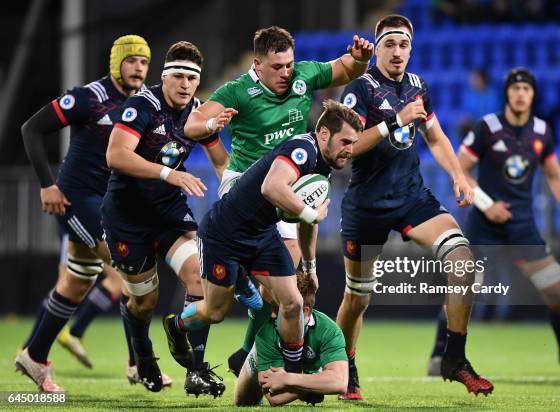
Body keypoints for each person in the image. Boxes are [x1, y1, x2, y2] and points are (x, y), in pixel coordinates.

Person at [182, 26, 373, 375]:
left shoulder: (303, 76)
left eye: (289, 64)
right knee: (241, 295)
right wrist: (211, 121)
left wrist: (362, 60)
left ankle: (247, 355)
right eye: (277, 67)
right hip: (244, 185)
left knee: (289, 288)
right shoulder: (238, 90)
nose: (286, 73)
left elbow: (347, 68)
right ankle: (237, 276)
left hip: (291, 183)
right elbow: (192, 124)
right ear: (257, 64)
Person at [336, 14, 494, 399]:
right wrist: (394, 121)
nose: (397, 52)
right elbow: (347, 147)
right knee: (357, 299)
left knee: (464, 262)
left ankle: (454, 357)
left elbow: (436, 137)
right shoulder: (362, 88)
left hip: (411, 198)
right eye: (389, 44)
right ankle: (344, 368)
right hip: (367, 206)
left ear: (412, 49)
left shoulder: (419, 87)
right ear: (377, 49)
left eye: (404, 45)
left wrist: (459, 175)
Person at [163, 100, 361, 382]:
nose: (350, 150)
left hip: (261, 235)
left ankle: (292, 377)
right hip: (224, 234)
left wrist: (310, 267)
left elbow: (306, 219)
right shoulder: (302, 149)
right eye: (346, 141)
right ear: (324, 134)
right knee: (216, 311)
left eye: (354, 143)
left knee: (292, 302)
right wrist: (310, 213)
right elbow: (272, 187)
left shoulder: (325, 164)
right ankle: (176, 325)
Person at [15, 35, 170, 393]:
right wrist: (46, 185)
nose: (139, 68)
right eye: (131, 60)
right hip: (76, 198)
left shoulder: (147, 103)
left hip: (109, 203)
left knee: (77, 281)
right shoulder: (89, 97)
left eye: (144, 62)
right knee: (130, 270)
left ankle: (34, 357)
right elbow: (31, 129)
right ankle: (140, 363)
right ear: (117, 63)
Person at [428, 67, 560, 376]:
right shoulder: (488, 127)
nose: (521, 94)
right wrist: (487, 204)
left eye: (526, 89)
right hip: (484, 225)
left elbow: (555, 174)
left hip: (522, 226)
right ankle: (439, 354)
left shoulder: (541, 131)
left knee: (557, 290)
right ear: (507, 93)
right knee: (462, 290)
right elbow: (461, 169)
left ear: (533, 95)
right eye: (515, 89)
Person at [102, 41, 223, 396]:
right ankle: (143, 355)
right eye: (180, 77)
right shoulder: (143, 105)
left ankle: (196, 370)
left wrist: (236, 192)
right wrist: (169, 174)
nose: (186, 85)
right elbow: (116, 155)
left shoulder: (198, 113)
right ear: (165, 77)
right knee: (144, 302)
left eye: (193, 78)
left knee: (200, 277)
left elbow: (220, 160)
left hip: (169, 213)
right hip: (127, 217)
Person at [234, 272, 348, 407]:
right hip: (260, 360)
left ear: (304, 311)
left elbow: (339, 383)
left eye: (278, 308)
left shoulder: (329, 330)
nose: (271, 314)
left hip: (291, 374)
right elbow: (275, 397)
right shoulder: (266, 328)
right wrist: (316, 382)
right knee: (244, 402)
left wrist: (288, 379)